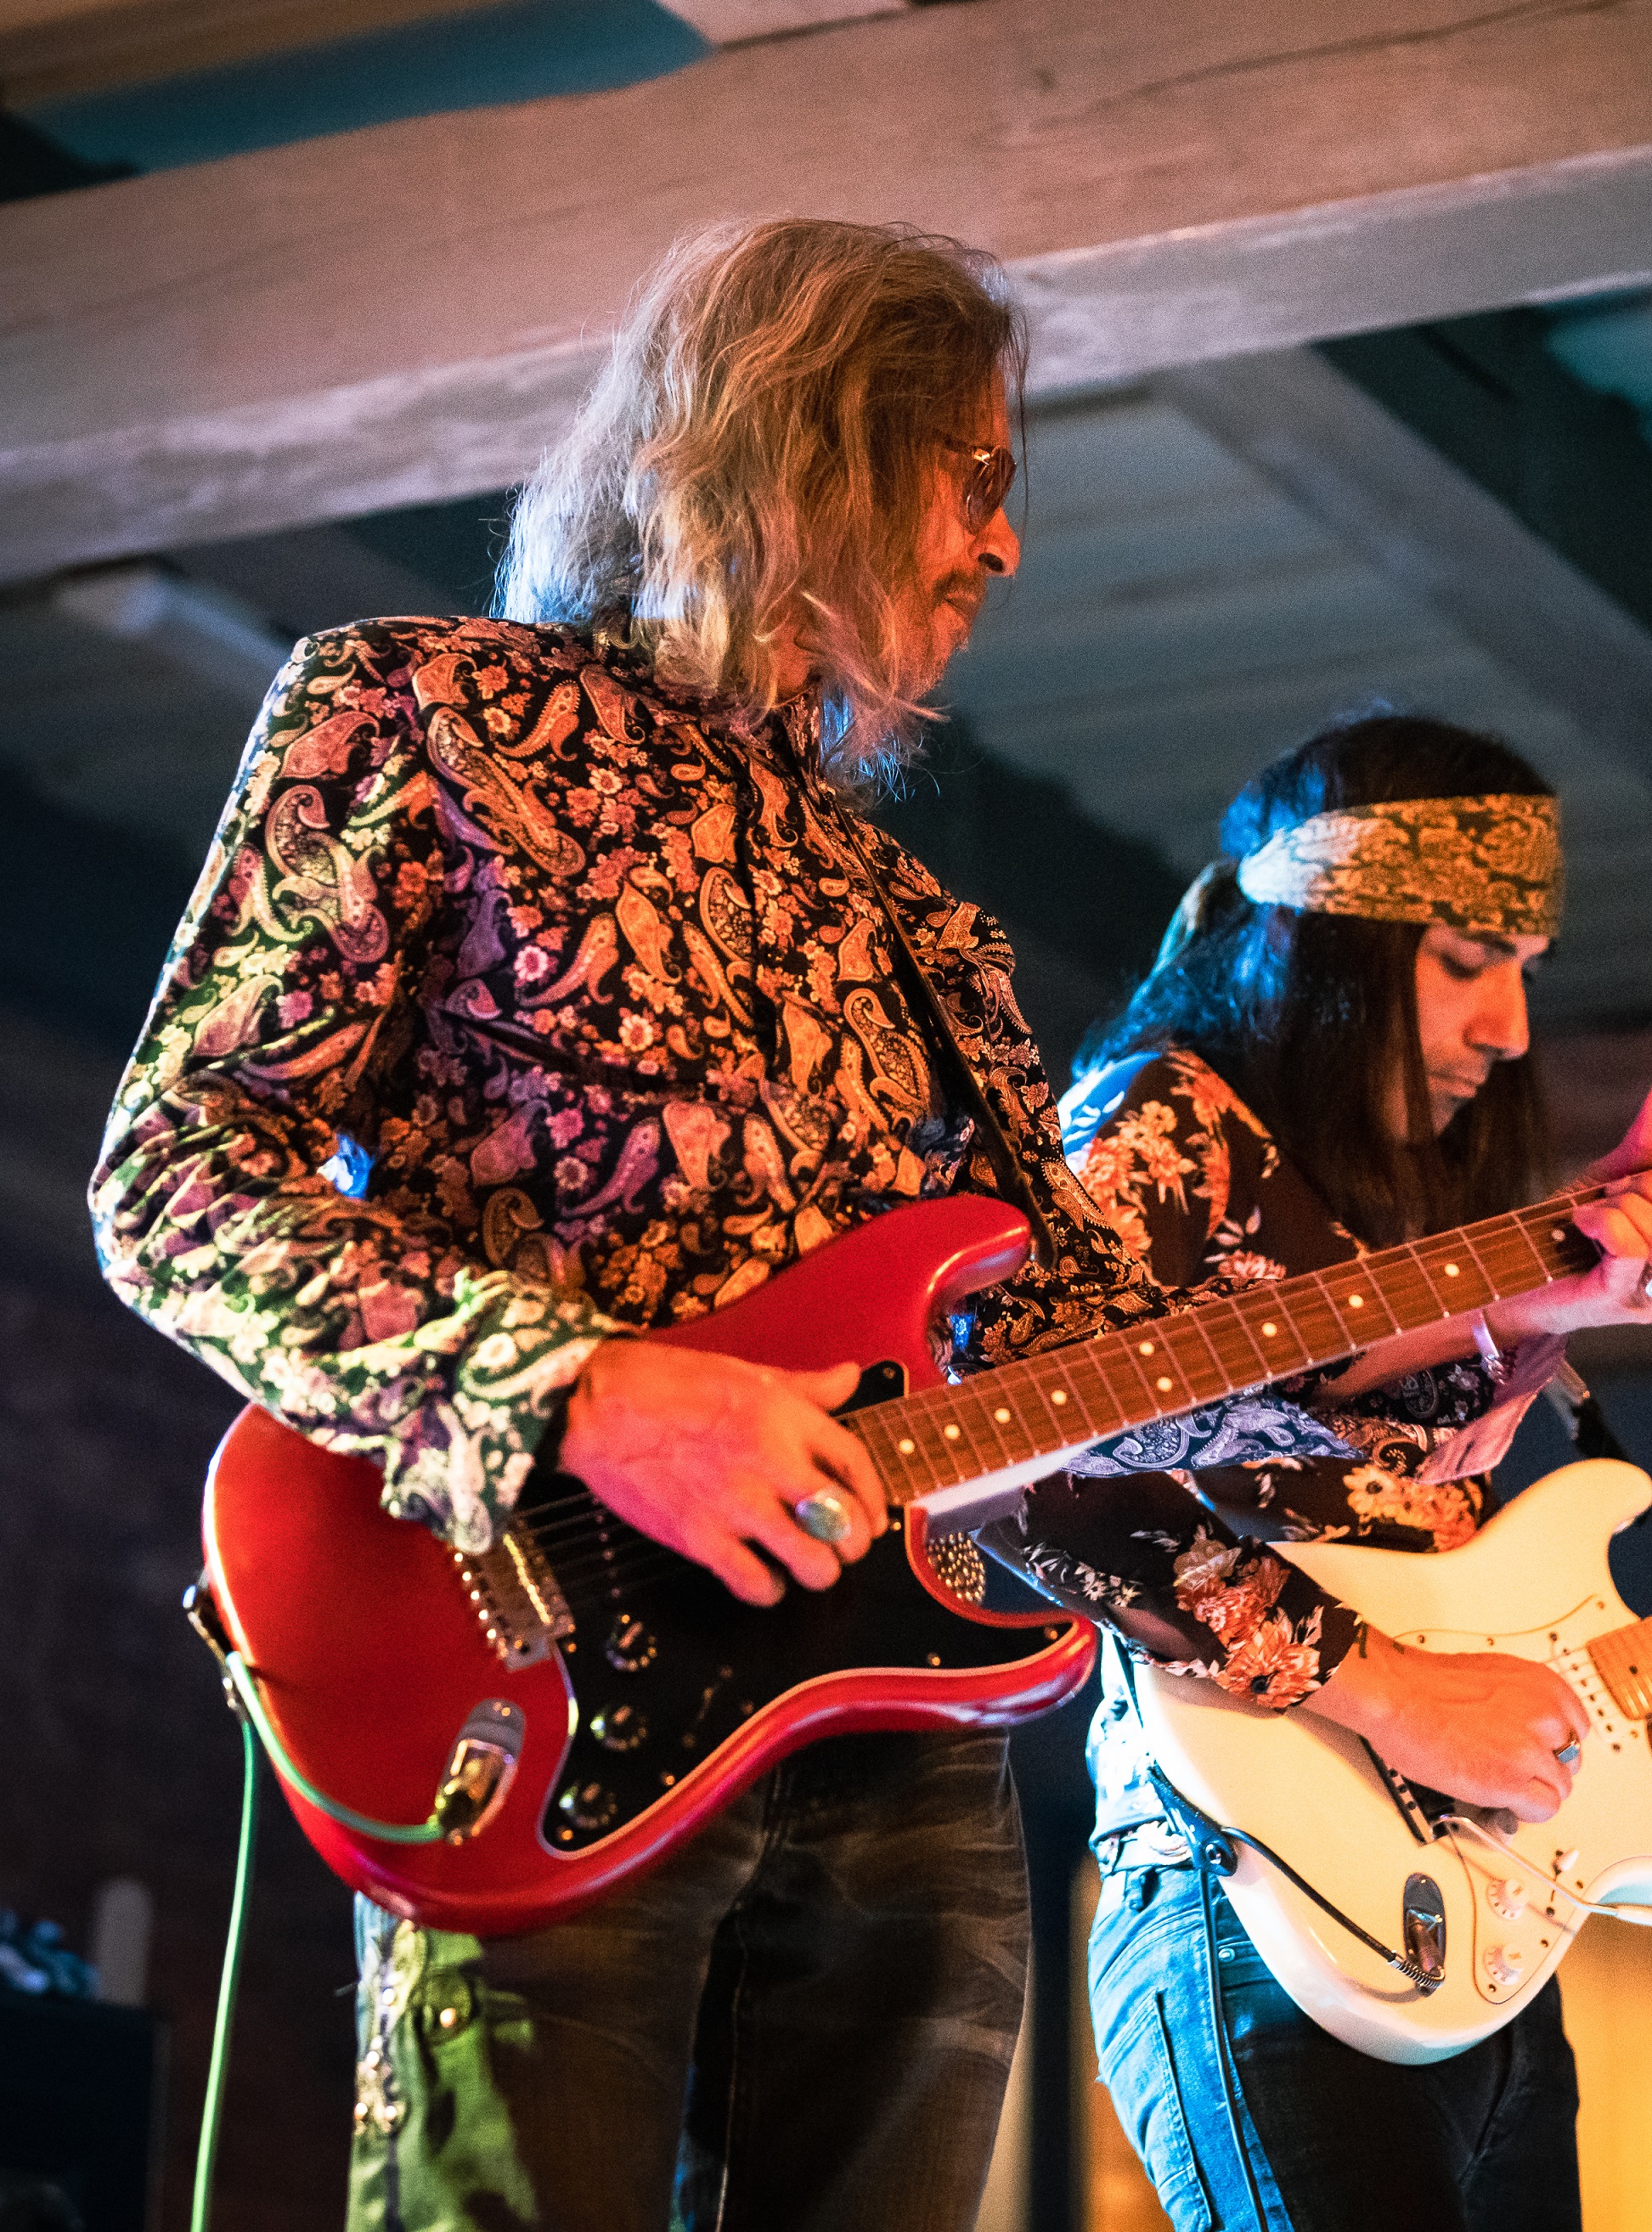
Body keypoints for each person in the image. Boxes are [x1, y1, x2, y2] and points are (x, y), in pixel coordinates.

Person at [89, 219, 1389, 2232]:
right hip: (542, 1685)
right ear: (815, 444)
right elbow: (176, 1174)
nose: (1004, 544)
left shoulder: (909, 916)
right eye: (975, 475)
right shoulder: (418, 714)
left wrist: (1459, 1336)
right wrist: (591, 1393)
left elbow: (1082, 1371)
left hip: (905, 1740)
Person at [974, 715, 1652, 2232]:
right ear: (1315, 940)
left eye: (1527, 968)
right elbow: (1013, 1460)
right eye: (1467, 958)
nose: (1511, 1028)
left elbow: (1424, 1599)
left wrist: (1606, 1729)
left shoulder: (1391, 1209)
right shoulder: (1162, 1126)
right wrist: (1392, 1690)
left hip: (1467, 1927)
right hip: (1250, 1903)